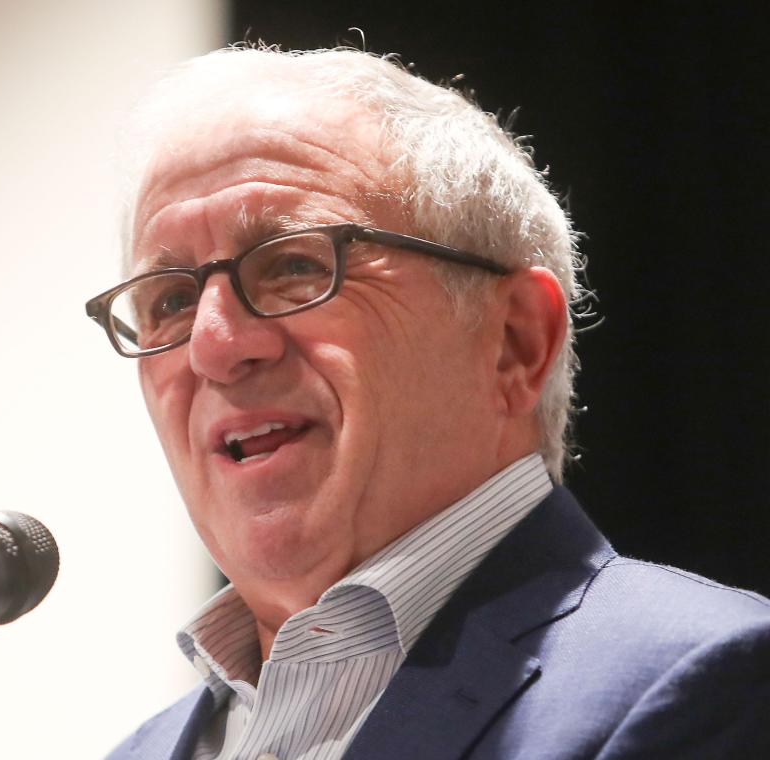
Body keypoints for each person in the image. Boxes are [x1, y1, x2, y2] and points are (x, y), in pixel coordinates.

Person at [87, 45, 770, 760]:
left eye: (294, 264)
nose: (215, 346)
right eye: (169, 300)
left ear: (514, 343)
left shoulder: (699, 684)